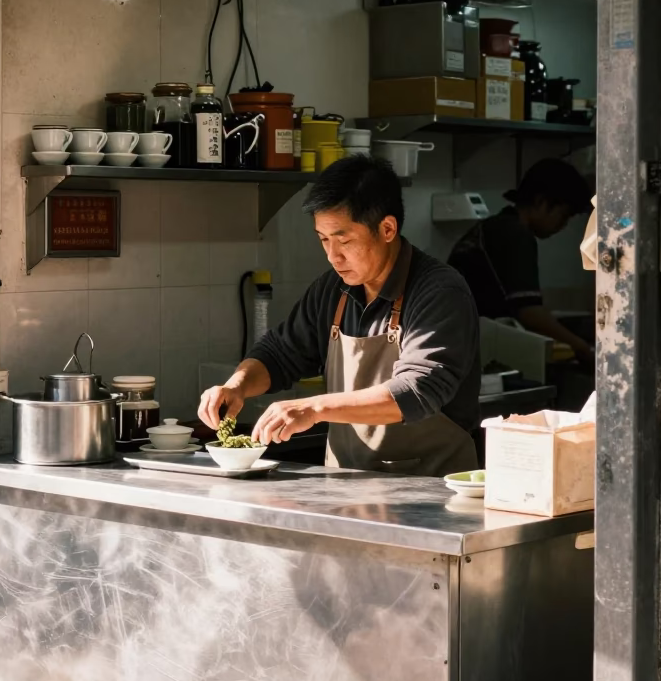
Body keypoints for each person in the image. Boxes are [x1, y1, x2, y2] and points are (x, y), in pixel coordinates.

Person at [198, 156, 480, 476]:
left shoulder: (439, 291)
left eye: (344, 240)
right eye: (323, 240)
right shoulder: (334, 289)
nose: (333, 256)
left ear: (387, 229)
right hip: (346, 485)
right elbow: (280, 353)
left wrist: (314, 408)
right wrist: (237, 386)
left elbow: (417, 390)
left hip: (431, 492)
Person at [448, 158, 593, 364]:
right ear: (542, 202)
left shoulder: (492, 226)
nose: (564, 225)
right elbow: (530, 313)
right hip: (473, 351)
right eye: (564, 215)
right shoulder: (516, 234)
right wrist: (582, 348)